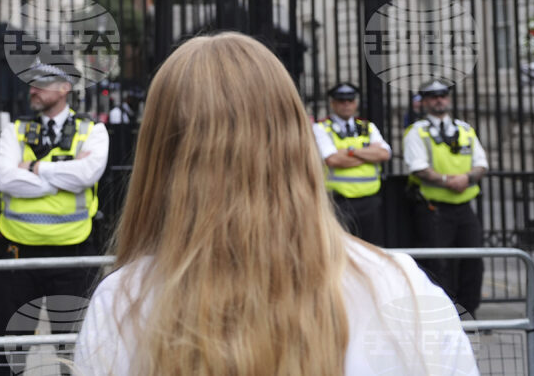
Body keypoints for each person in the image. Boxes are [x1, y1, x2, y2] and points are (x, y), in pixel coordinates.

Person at [74, 33, 477, 375]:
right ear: (295, 137)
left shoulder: (123, 302)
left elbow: (374, 154)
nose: (348, 106)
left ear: (158, 156)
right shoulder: (404, 287)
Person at [0, 63, 108, 375]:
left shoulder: (92, 130)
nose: (32, 89)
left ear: (65, 88)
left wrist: (34, 167)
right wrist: (63, 173)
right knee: (7, 344)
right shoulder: (14, 130)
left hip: (72, 251)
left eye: (42, 82)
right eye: (31, 83)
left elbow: (86, 175)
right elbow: (5, 179)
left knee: (74, 346)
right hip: (17, 252)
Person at [404, 79, 488, 317]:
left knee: (474, 261)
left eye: (442, 95)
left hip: (463, 207)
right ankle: (447, 315)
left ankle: (470, 313)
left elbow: (481, 163)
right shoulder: (417, 132)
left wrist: (466, 178)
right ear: (424, 102)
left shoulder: (464, 129)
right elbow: (418, 167)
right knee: (440, 265)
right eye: (432, 96)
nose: (439, 100)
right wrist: (447, 181)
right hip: (434, 210)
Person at [312, 82, 392, 245]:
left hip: (370, 201)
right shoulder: (321, 128)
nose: (346, 104)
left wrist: (349, 151)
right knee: (341, 249)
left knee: (372, 249)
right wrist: (367, 152)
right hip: (340, 202)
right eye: (341, 101)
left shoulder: (368, 127)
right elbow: (332, 159)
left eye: (350, 100)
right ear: (333, 103)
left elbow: (384, 153)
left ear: (356, 103)